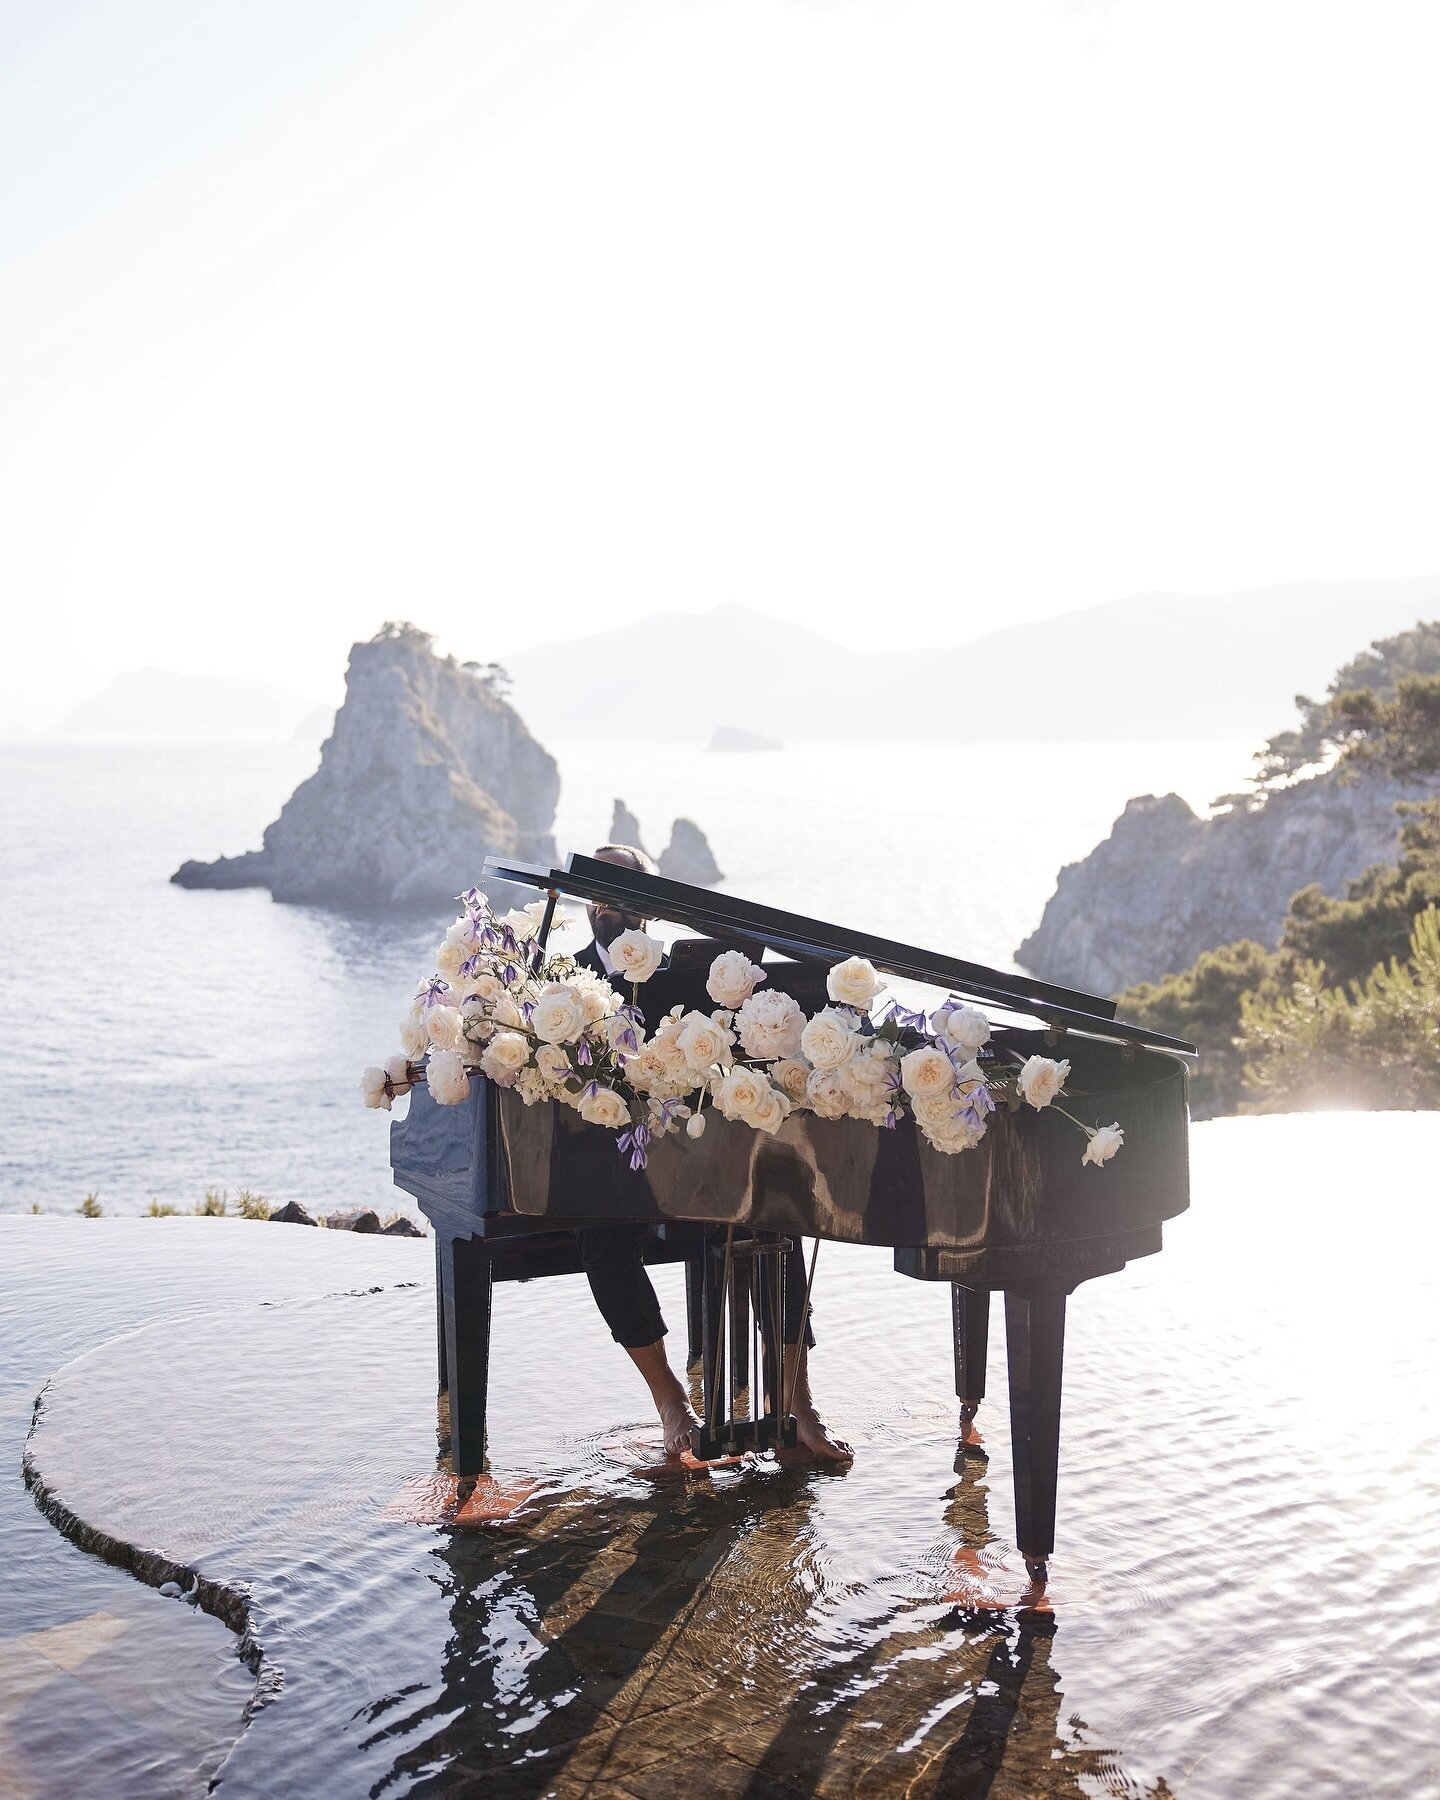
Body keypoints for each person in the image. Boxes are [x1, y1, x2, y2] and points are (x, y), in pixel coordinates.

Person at [572, 842, 852, 1462]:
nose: (608, 903)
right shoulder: (561, 981)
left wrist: (671, 904)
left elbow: (748, 948)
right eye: (597, 889)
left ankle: (794, 1401)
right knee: (601, 1240)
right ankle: (672, 1403)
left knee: (775, 1220)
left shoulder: (681, 970)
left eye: (624, 890)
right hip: (607, 1168)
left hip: (697, 1162)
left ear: (648, 903)